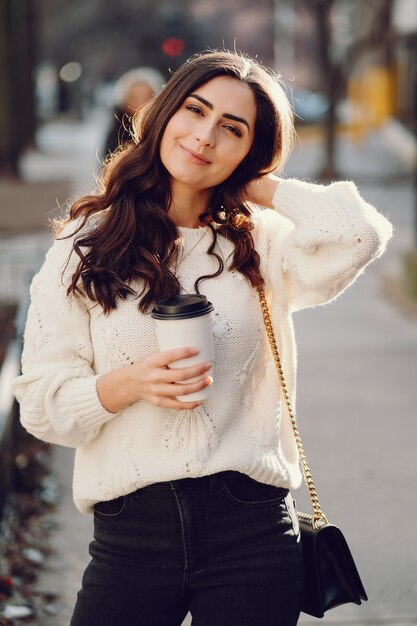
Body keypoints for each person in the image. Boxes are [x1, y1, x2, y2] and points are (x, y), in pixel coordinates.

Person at [13, 50, 392, 626]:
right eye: (195, 110)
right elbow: (41, 407)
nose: (204, 136)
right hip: (130, 533)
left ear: (250, 152)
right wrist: (127, 385)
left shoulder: (262, 243)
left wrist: (260, 189)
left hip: (252, 529)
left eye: (232, 129)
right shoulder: (85, 243)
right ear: (165, 113)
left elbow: (359, 234)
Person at [102, 66, 165, 156]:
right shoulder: (117, 132)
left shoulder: (161, 128)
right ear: (125, 100)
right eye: (134, 98)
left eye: (147, 97)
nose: (141, 104)